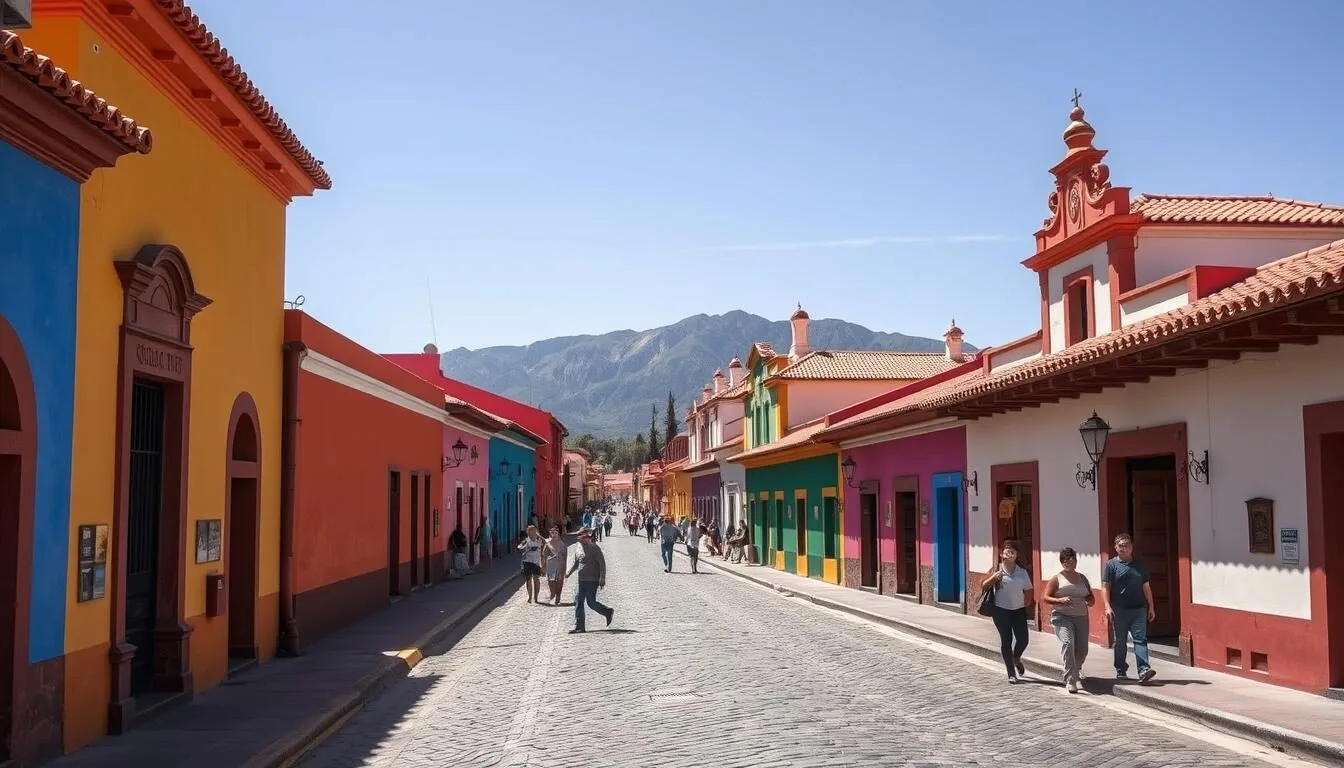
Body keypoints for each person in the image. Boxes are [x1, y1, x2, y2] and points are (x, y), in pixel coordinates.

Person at [1103, 533, 1157, 684]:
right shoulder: (1111, 565)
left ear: (1131, 547)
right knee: (1120, 641)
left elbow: (1146, 586)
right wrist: (1107, 606)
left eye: (1126, 545)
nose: (1124, 548)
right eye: (1120, 546)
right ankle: (1120, 669)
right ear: (1115, 547)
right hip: (1119, 610)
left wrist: (1151, 606)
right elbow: (1106, 587)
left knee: (1140, 640)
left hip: (1138, 609)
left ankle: (1143, 670)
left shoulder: (1139, 565)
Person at [981, 540, 1034, 683]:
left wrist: (1025, 604)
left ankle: (1016, 657)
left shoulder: (1022, 572)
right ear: (1002, 554)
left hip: (1018, 611)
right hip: (1001, 611)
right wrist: (994, 577)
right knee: (1006, 639)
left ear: (1016, 555)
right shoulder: (996, 570)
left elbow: (1029, 590)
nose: (1009, 554)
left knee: (1023, 639)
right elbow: (983, 586)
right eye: (1007, 551)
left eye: (1012, 551)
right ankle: (1011, 672)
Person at [1043, 547, 1094, 693]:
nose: (1069, 563)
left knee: (1083, 649)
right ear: (1062, 563)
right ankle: (1071, 679)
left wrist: (1090, 601)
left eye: (1072, 560)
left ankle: (1076, 670)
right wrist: (1060, 600)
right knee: (1068, 643)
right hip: (1061, 616)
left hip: (1081, 617)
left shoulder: (1082, 578)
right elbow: (1046, 597)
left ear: (1076, 561)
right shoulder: (1057, 578)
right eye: (1066, 561)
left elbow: (1090, 595)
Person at [566, 528, 613, 634]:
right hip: (581, 579)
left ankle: (607, 612)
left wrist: (602, 578)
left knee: (591, 603)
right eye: (581, 538)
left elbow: (602, 563)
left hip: (592, 579)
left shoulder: (594, 548)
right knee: (579, 601)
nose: (584, 539)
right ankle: (580, 626)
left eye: (585, 537)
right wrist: (569, 572)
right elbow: (576, 563)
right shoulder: (578, 548)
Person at [516, 525, 544, 603]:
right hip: (527, 561)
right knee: (528, 580)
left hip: (536, 562)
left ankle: (536, 597)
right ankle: (530, 597)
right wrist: (525, 548)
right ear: (528, 532)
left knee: (536, 579)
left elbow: (543, 547)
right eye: (530, 531)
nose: (532, 532)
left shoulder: (539, 540)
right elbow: (519, 547)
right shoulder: (526, 540)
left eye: (533, 531)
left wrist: (543, 562)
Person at [542, 525, 568, 605]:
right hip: (550, 566)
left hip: (560, 565)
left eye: (555, 533)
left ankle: (558, 596)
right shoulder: (548, 544)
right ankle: (553, 593)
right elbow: (544, 556)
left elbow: (565, 557)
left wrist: (565, 568)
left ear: (558, 534)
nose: (554, 534)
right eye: (552, 533)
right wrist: (543, 567)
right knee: (551, 582)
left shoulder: (562, 545)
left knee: (559, 582)